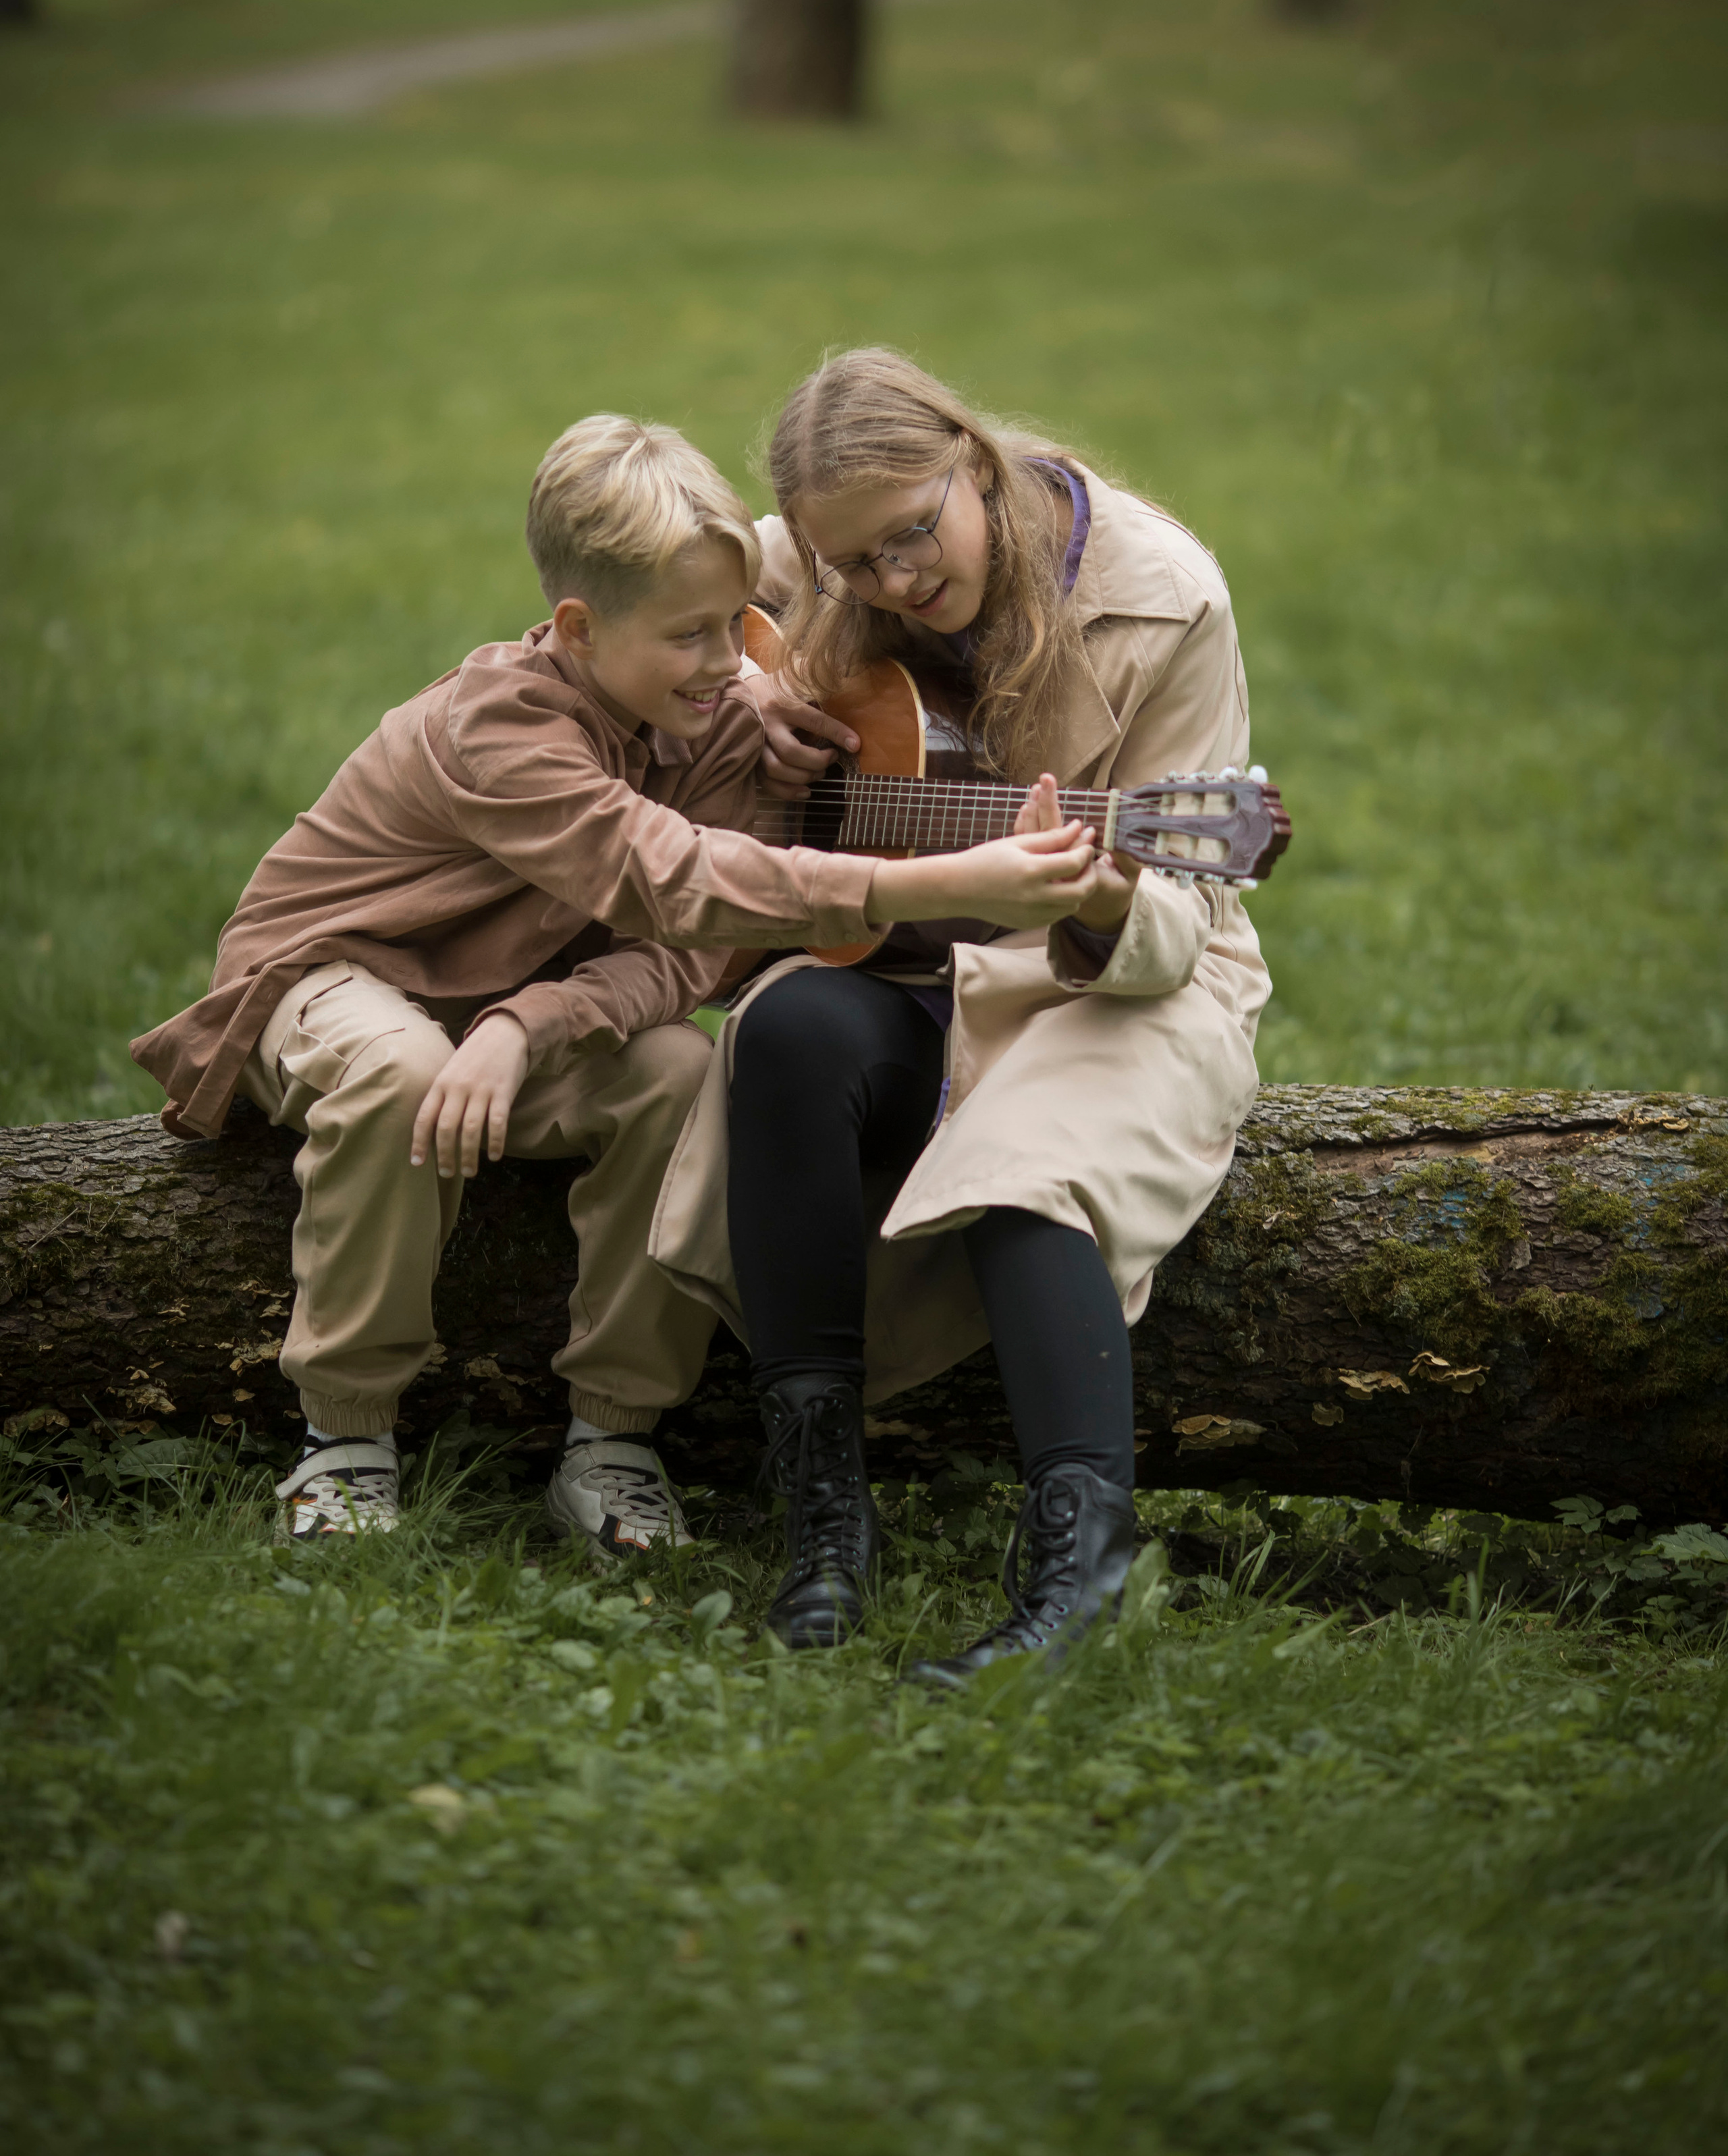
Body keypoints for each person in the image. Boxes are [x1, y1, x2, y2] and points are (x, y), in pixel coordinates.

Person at [132, 414, 1102, 1546]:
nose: (728, 665)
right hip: (322, 980)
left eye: (737, 628)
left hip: (494, 1023)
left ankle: (613, 1434)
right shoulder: (501, 726)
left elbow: (685, 957)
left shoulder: (715, 717)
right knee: (400, 1070)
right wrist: (916, 888)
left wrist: (524, 1025)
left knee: (683, 1068)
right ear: (580, 628)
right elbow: (669, 878)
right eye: (689, 636)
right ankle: (345, 1432)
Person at [650, 350, 1272, 1681]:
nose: (892, 581)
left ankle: (1072, 1582)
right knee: (785, 1036)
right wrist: (746, 683)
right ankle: (821, 1524)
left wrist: (1102, 898)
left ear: (971, 463)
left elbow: (1185, 915)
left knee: (1023, 1161)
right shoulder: (808, 557)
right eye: (854, 563)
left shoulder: (1166, 600)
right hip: (901, 966)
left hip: (1105, 979)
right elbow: (675, 579)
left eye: (913, 534)